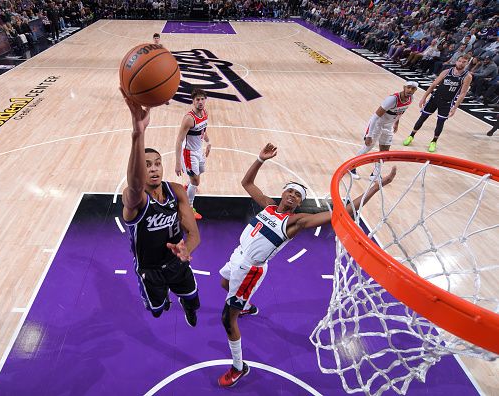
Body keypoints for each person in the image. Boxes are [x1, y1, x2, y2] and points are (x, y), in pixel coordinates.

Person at [217, 143, 397, 388]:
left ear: (299, 203)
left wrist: (376, 186)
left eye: (298, 195)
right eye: (290, 191)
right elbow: (247, 184)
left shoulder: (296, 221)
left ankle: (239, 367)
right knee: (224, 282)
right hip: (236, 257)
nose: (292, 195)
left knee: (228, 320)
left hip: (250, 269)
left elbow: (343, 212)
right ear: (283, 194)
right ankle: (245, 305)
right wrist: (260, 159)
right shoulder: (269, 205)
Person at [120, 87, 201, 327]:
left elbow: (193, 233)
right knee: (157, 310)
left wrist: (188, 249)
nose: (153, 168)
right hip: (150, 268)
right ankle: (163, 299)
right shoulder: (135, 199)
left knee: (192, 299)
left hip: (177, 262)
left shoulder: (176, 191)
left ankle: (188, 308)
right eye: (147, 165)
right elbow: (134, 185)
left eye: (157, 163)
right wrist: (138, 134)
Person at [403, 55, 473, 152]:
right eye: (460, 61)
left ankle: (434, 141)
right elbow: (433, 85)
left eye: (464, 62)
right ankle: (411, 136)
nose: (461, 63)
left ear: (467, 63)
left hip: (447, 102)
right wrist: (424, 97)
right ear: (456, 61)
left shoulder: (467, 76)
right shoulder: (446, 72)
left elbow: (463, 93)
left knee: (440, 122)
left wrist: (455, 107)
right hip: (434, 99)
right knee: (423, 117)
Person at [351, 81, 418, 180]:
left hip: (388, 126)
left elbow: (401, 111)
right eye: (408, 87)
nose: (410, 90)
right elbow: (375, 117)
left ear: (415, 90)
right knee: (367, 148)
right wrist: (369, 135)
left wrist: (396, 122)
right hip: (377, 125)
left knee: (384, 151)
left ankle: (375, 174)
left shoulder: (411, 99)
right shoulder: (392, 99)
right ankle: (352, 168)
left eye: (413, 88)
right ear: (404, 87)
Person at [174, 88, 211, 220]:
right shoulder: (189, 119)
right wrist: (178, 163)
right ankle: (189, 207)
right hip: (189, 153)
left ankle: (188, 186)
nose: (200, 102)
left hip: (199, 150)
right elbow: (179, 140)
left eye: (202, 99)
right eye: (197, 99)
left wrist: (208, 142)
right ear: (193, 101)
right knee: (196, 181)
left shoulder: (205, 114)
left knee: (198, 174)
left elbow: (203, 131)